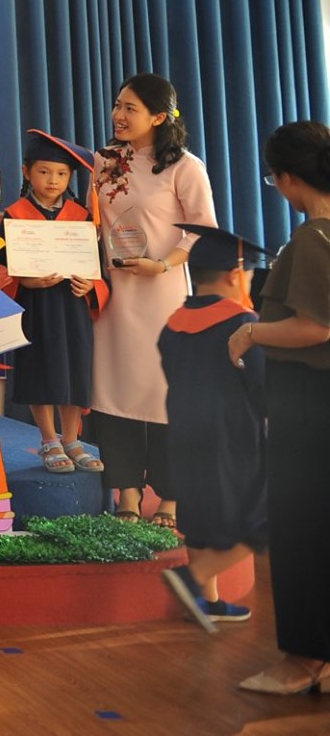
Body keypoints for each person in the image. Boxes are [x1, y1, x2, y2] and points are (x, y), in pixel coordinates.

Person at [91, 73, 214, 531]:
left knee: (164, 396)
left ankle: (170, 498)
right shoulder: (103, 162)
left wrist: (162, 265)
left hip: (163, 294)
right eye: (117, 105)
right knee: (114, 392)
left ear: (159, 117)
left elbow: (202, 230)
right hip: (113, 296)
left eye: (131, 108)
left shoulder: (185, 166)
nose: (118, 115)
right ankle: (126, 492)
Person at [233, 121, 330, 695]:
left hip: (310, 399)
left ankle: (303, 660)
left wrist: (251, 333)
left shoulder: (313, 237)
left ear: (288, 177)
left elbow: (314, 327)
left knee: (299, 528)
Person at [157, 225, 268, 630]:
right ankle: (195, 578)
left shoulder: (173, 323)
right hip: (232, 437)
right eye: (249, 275)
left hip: (184, 429)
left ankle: (209, 601)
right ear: (234, 275)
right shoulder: (244, 325)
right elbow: (262, 385)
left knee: (200, 512)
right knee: (265, 513)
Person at [3, 130, 106, 475]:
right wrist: (25, 281)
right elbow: (0, 271)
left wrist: (90, 285)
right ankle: (49, 439)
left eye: (62, 173)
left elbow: (98, 268)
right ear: (26, 171)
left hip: (72, 304)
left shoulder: (81, 217)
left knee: (75, 369)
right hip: (36, 306)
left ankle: (72, 439)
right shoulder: (14, 215)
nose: (53, 180)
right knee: (41, 369)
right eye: (44, 171)